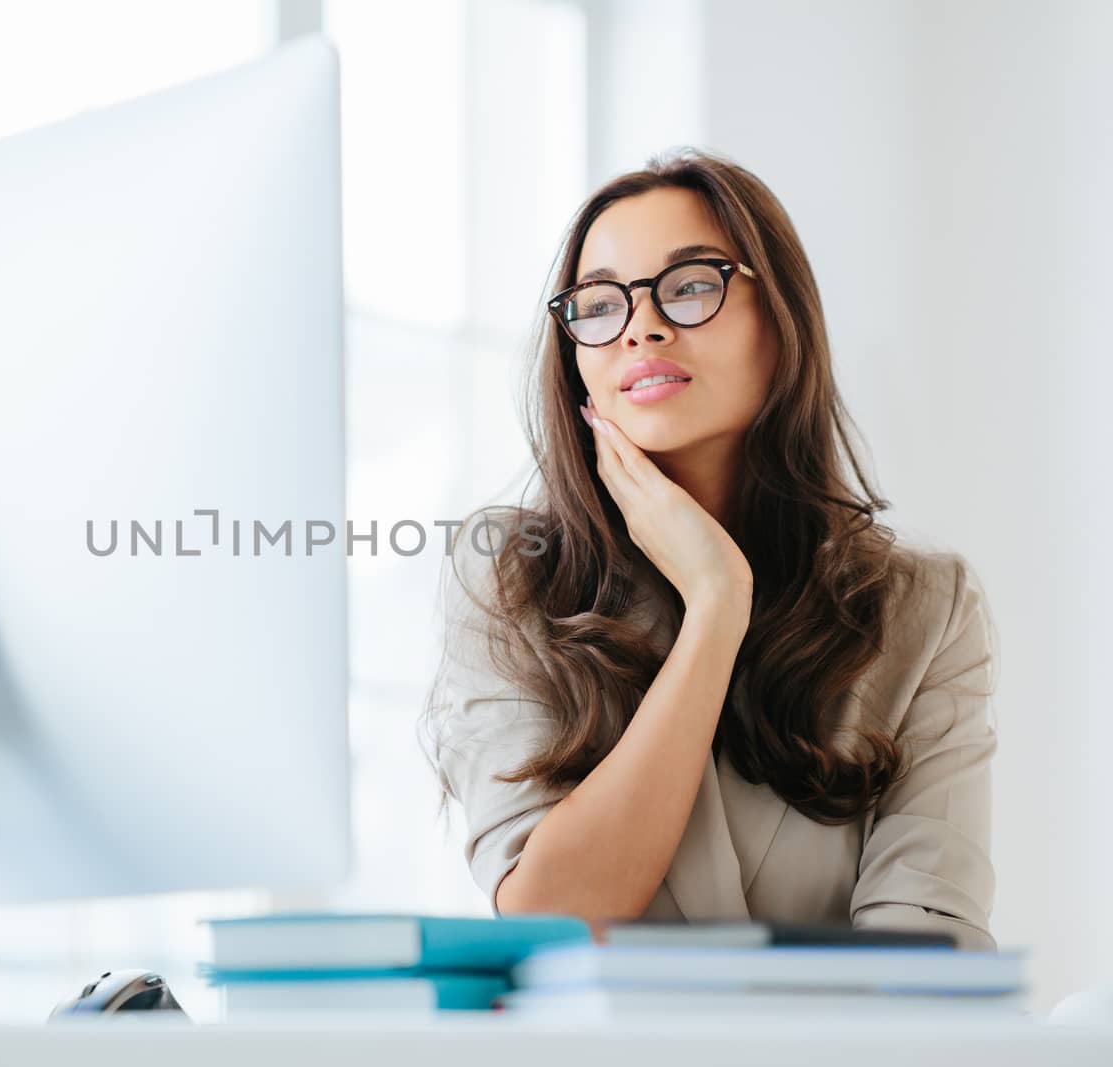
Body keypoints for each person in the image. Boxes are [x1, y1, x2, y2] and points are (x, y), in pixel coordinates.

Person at [420, 147, 999, 951]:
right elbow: (553, 918)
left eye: (691, 285)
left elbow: (926, 954)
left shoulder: (924, 607)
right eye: (598, 303)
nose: (643, 326)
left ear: (782, 318)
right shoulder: (510, 575)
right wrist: (716, 603)